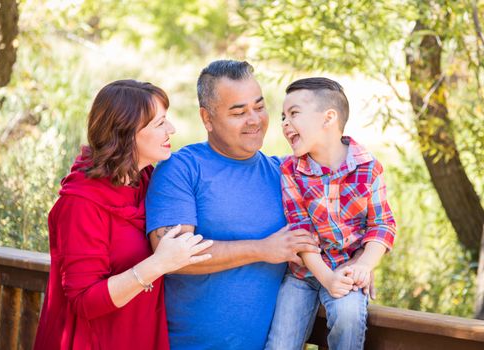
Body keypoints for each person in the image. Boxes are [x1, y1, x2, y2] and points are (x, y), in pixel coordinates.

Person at [146, 60, 352, 349]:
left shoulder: (286, 175)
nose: (254, 119)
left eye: (259, 107)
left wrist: (356, 269)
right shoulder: (181, 168)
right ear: (207, 119)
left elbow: (335, 234)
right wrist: (262, 249)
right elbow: (172, 254)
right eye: (239, 112)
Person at [34, 79, 213, 350]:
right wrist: (158, 264)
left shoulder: (147, 181)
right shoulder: (81, 204)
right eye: (160, 123)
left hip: (140, 334)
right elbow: (84, 300)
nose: (172, 129)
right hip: (92, 341)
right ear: (127, 133)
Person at [265, 77, 397, 350]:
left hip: (348, 269)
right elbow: (300, 231)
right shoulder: (291, 170)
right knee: (280, 344)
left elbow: (382, 225)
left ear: (328, 118)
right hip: (303, 273)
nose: (285, 124)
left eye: (294, 114)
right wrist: (326, 277)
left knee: (349, 318)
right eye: (283, 117)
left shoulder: (368, 168)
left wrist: (364, 266)